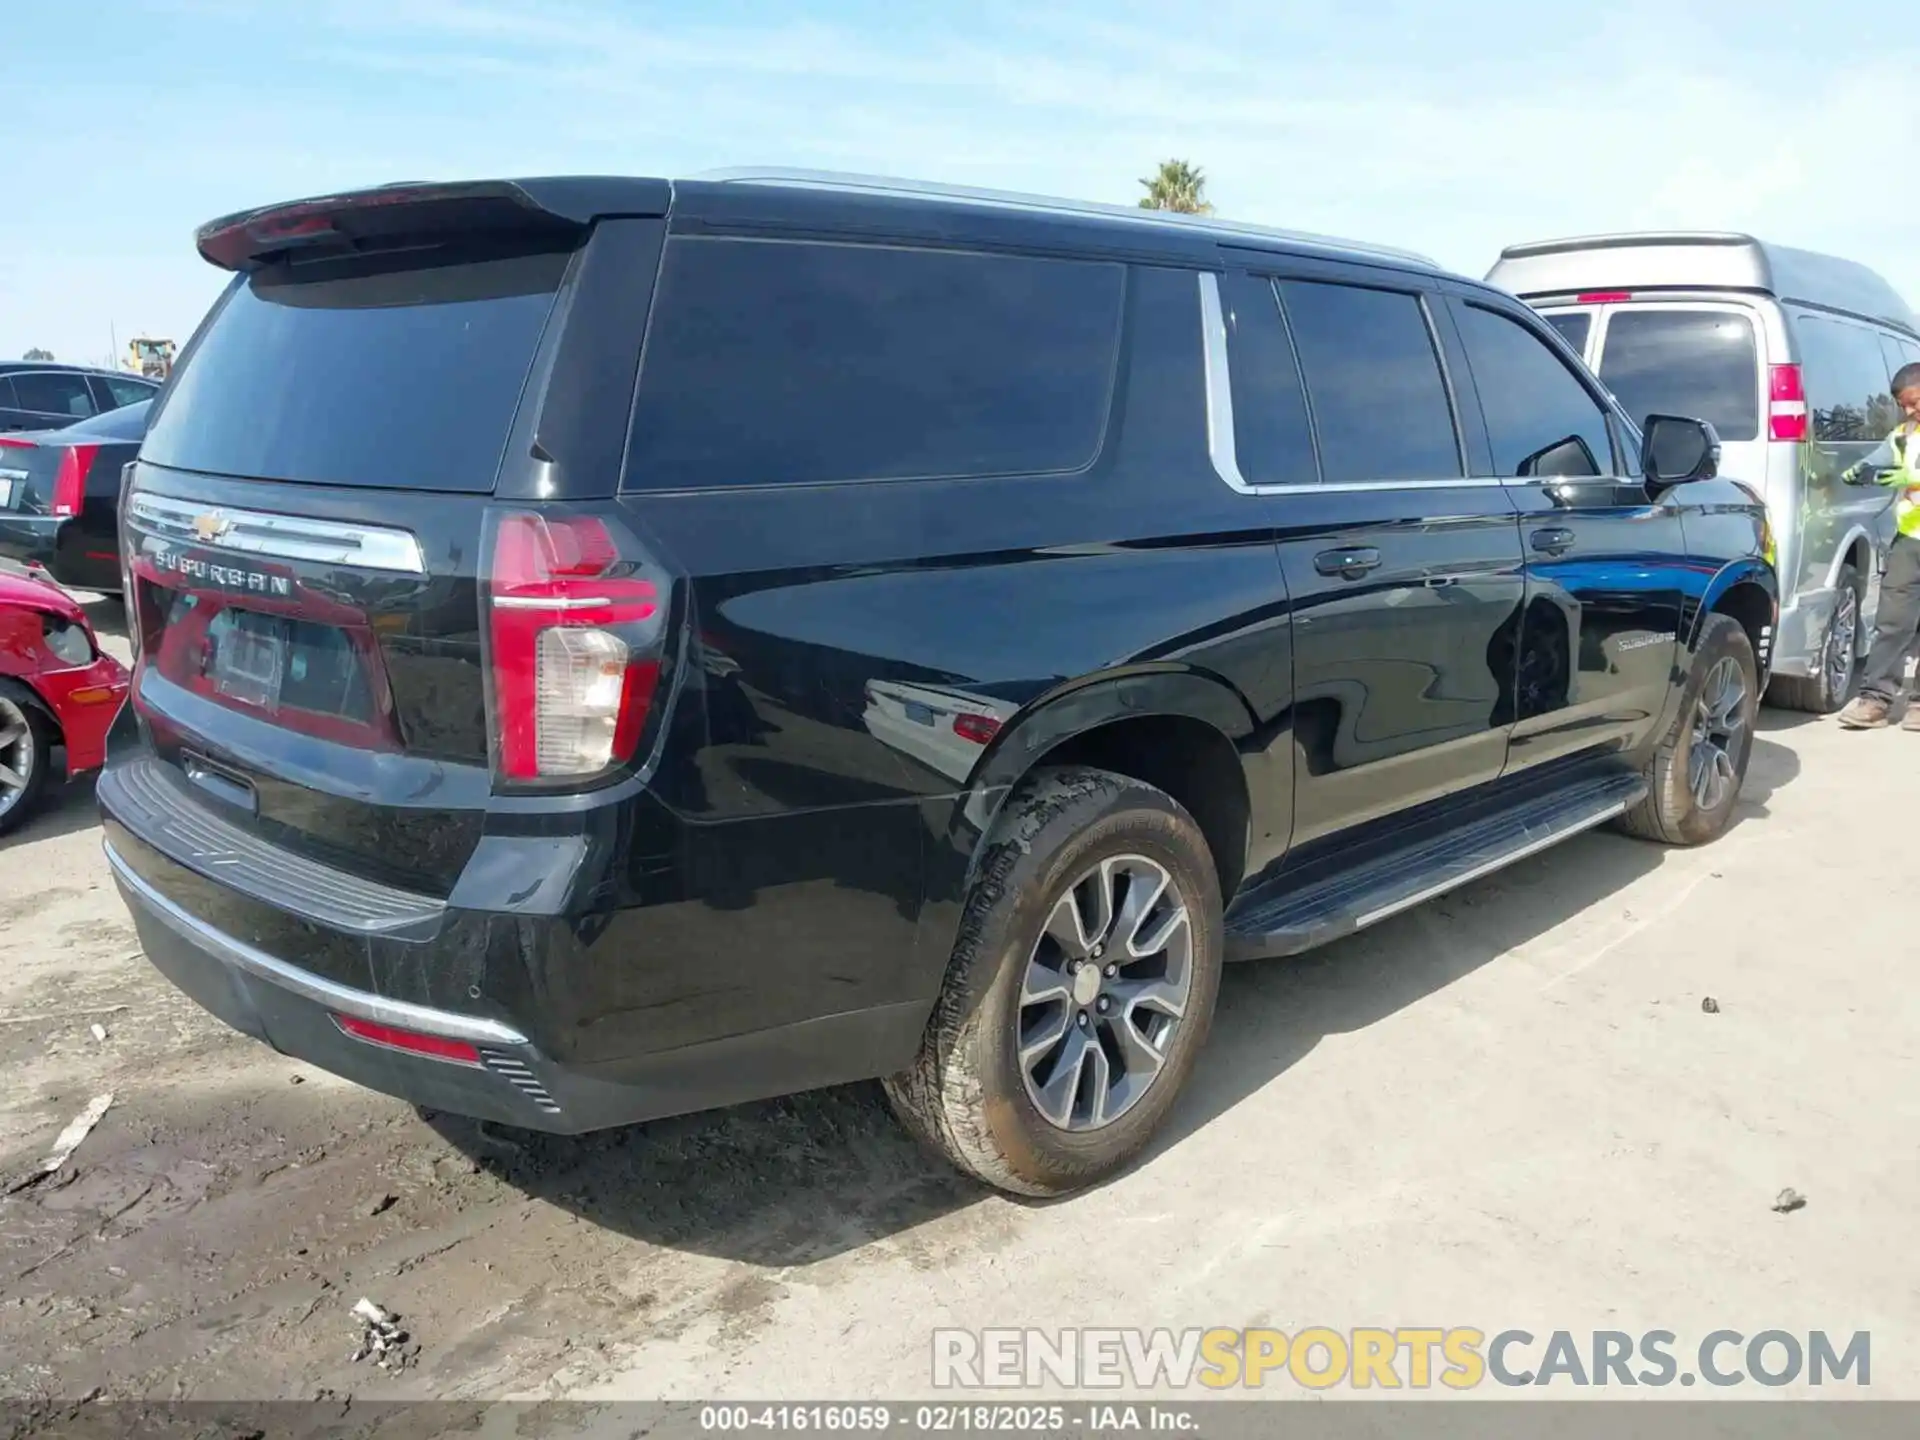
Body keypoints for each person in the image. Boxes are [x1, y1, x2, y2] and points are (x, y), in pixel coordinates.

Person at [1837, 361, 1920, 729]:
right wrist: (1861, 471)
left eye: (1915, 402)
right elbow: (1882, 460)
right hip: (1910, 542)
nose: (1909, 411)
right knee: (1892, 622)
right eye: (1904, 405)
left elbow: (1908, 475)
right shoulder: (1903, 435)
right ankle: (1875, 699)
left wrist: (1913, 477)